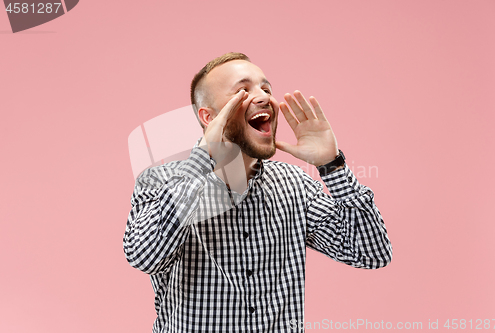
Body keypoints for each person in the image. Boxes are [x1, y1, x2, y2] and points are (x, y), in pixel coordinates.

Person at [123, 52, 392, 333]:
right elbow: (145, 257)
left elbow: (371, 254)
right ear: (208, 117)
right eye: (242, 91)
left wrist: (331, 165)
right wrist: (204, 157)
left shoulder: (294, 185)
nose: (263, 97)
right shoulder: (161, 180)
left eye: (266, 89)